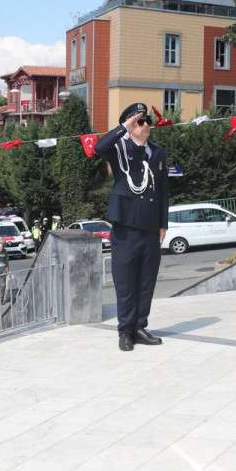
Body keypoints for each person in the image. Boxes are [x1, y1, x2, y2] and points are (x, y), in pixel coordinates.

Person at [93, 103, 169, 352]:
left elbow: (163, 191)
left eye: (147, 121)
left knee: (146, 281)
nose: (146, 125)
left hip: (150, 227)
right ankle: (125, 331)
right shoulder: (119, 149)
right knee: (125, 282)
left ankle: (139, 327)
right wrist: (124, 127)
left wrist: (163, 223)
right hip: (125, 226)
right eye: (140, 122)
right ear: (130, 125)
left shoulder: (157, 152)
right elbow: (99, 147)